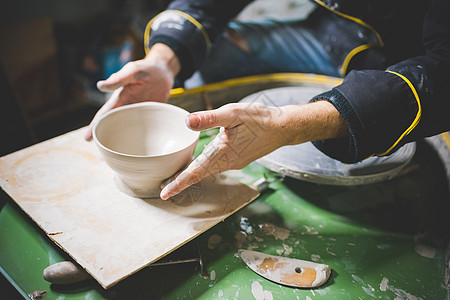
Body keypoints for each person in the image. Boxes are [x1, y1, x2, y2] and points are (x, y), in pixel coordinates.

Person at [85, 0, 450, 200]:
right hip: (335, 33)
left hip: (412, 61)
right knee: (208, 57)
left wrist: (294, 125)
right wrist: (162, 61)